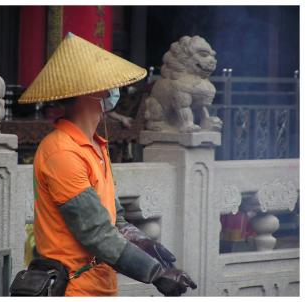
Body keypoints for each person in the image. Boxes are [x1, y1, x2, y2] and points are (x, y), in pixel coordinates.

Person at [18, 32, 196, 296]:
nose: (115, 89)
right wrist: (155, 273)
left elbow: (116, 220)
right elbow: (97, 233)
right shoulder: (61, 152)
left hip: (100, 286)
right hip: (73, 290)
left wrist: (146, 245)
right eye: (109, 83)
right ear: (94, 91)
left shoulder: (96, 146)